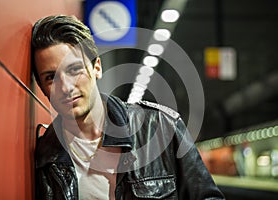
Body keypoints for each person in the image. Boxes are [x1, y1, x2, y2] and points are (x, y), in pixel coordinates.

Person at [31, 15, 225, 200]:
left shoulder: (162, 127)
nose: (65, 87)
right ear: (42, 87)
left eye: (74, 70)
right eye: (50, 77)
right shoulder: (45, 157)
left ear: (97, 67)